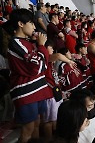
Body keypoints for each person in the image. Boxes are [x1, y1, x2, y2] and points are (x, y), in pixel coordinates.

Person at [7, 9, 52, 143]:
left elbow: (42, 66)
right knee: (28, 129)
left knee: (37, 124)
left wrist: (35, 45)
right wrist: (41, 46)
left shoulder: (27, 42)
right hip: (26, 93)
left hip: (37, 90)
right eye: (31, 23)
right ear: (20, 24)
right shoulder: (16, 43)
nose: (34, 26)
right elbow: (38, 67)